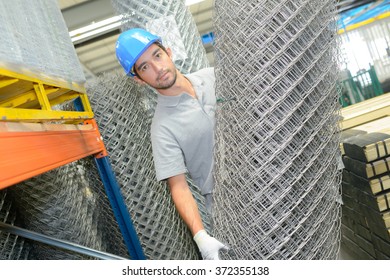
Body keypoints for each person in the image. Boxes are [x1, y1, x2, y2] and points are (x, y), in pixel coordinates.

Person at [115, 28, 228, 260]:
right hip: (228, 208)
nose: (157, 69)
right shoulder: (162, 129)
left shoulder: (213, 76)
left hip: (268, 176)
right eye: (144, 67)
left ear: (168, 52)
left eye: (157, 56)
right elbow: (178, 186)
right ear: (138, 79)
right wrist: (201, 237)